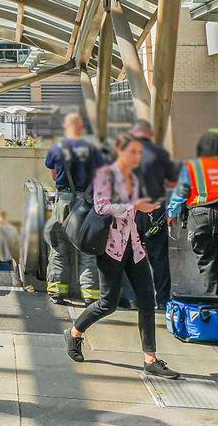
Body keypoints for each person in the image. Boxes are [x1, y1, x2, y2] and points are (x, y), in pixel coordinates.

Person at [63, 133, 180, 380]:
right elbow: (102, 207)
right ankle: (74, 332)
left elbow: (132, 213)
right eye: (133, 152)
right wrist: (135, 205)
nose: (137, 157)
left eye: (139, 153)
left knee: (147, 299)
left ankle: (150, 359)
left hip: (133, 247)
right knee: (108, 303)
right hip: (110, 247)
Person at [167, 131, 218, 303]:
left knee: (209, 265)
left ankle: (215, 308)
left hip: (201, 217)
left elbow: (180, 194)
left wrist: (171, 213)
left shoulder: (191, 167)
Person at [43, 112, 105, 305]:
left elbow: (54, 176)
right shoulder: (93, 150)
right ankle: (90, 295)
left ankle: (57, 291)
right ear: (82, 128)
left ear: (65, 127)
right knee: (87, 248)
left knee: (59, 245)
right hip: (87, 202)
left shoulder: (57, 148)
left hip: (63, 202)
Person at [127, 119, 179, 307]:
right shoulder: (160, 153)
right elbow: (173, 182)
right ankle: (163, 300)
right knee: (159, 257)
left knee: (130, 255)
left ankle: (133, 298)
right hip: (155, 211)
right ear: (149, 134)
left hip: (131, 210)